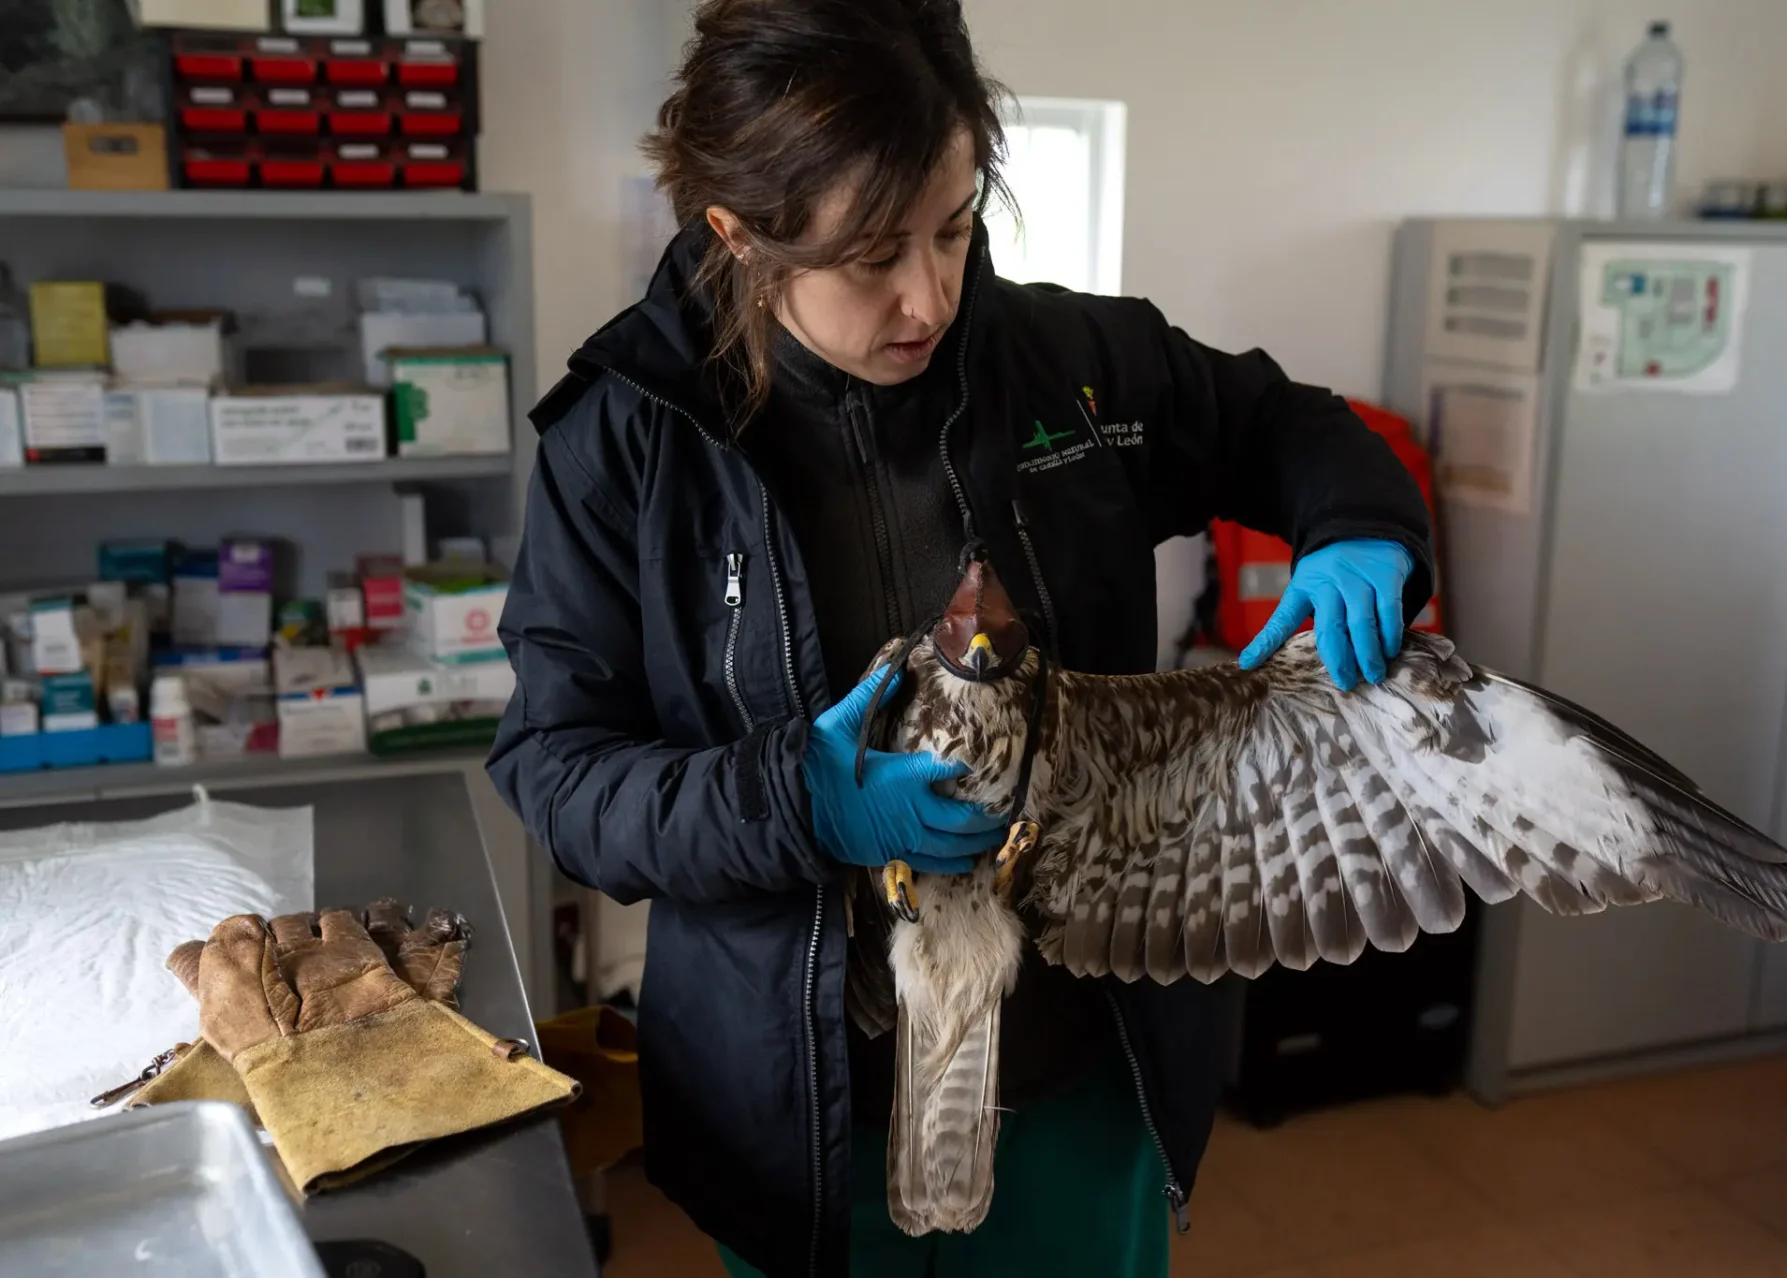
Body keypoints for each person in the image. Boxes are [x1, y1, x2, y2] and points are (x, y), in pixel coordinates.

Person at [486, 2, 1433, 1275]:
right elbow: (559, 774)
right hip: (798, 1113)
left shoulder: (1076, 367)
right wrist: (793, 802)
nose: (927, 293)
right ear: (738, 231)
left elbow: (1280, 421)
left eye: (954, 223)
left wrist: (1360, 519)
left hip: (1081, 1062)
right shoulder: (625, 440)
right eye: (871, 255)